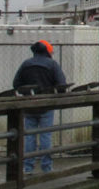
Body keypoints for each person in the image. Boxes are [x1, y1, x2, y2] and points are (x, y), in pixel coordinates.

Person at [13, 39, 67, 173]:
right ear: (47, 51)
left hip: (29, 105)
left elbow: (16, 84)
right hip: (46, 105)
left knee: (29, 136)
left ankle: (28, 167)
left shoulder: (26, 64)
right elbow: (62, 84)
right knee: (45, 136)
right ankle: (46, 167)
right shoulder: (52, 64)